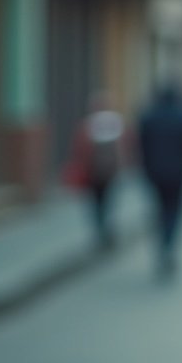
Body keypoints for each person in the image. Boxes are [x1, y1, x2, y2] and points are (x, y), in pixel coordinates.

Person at [138, 84, 182, 278]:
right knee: (175, 211)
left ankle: (162, 246)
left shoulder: (149, 116)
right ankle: (169, 245)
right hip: (179, 173)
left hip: (154, 173)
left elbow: (141, 144)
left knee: (159, 209)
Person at [64, 92, 127, 251]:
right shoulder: (115, 121)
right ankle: (106, 229)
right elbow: (122, 146)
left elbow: (80, 148)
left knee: (96, 203)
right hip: (110, 172)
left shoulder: (88, 124)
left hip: (93, 172)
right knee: (108, 202)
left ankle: (100, 230)